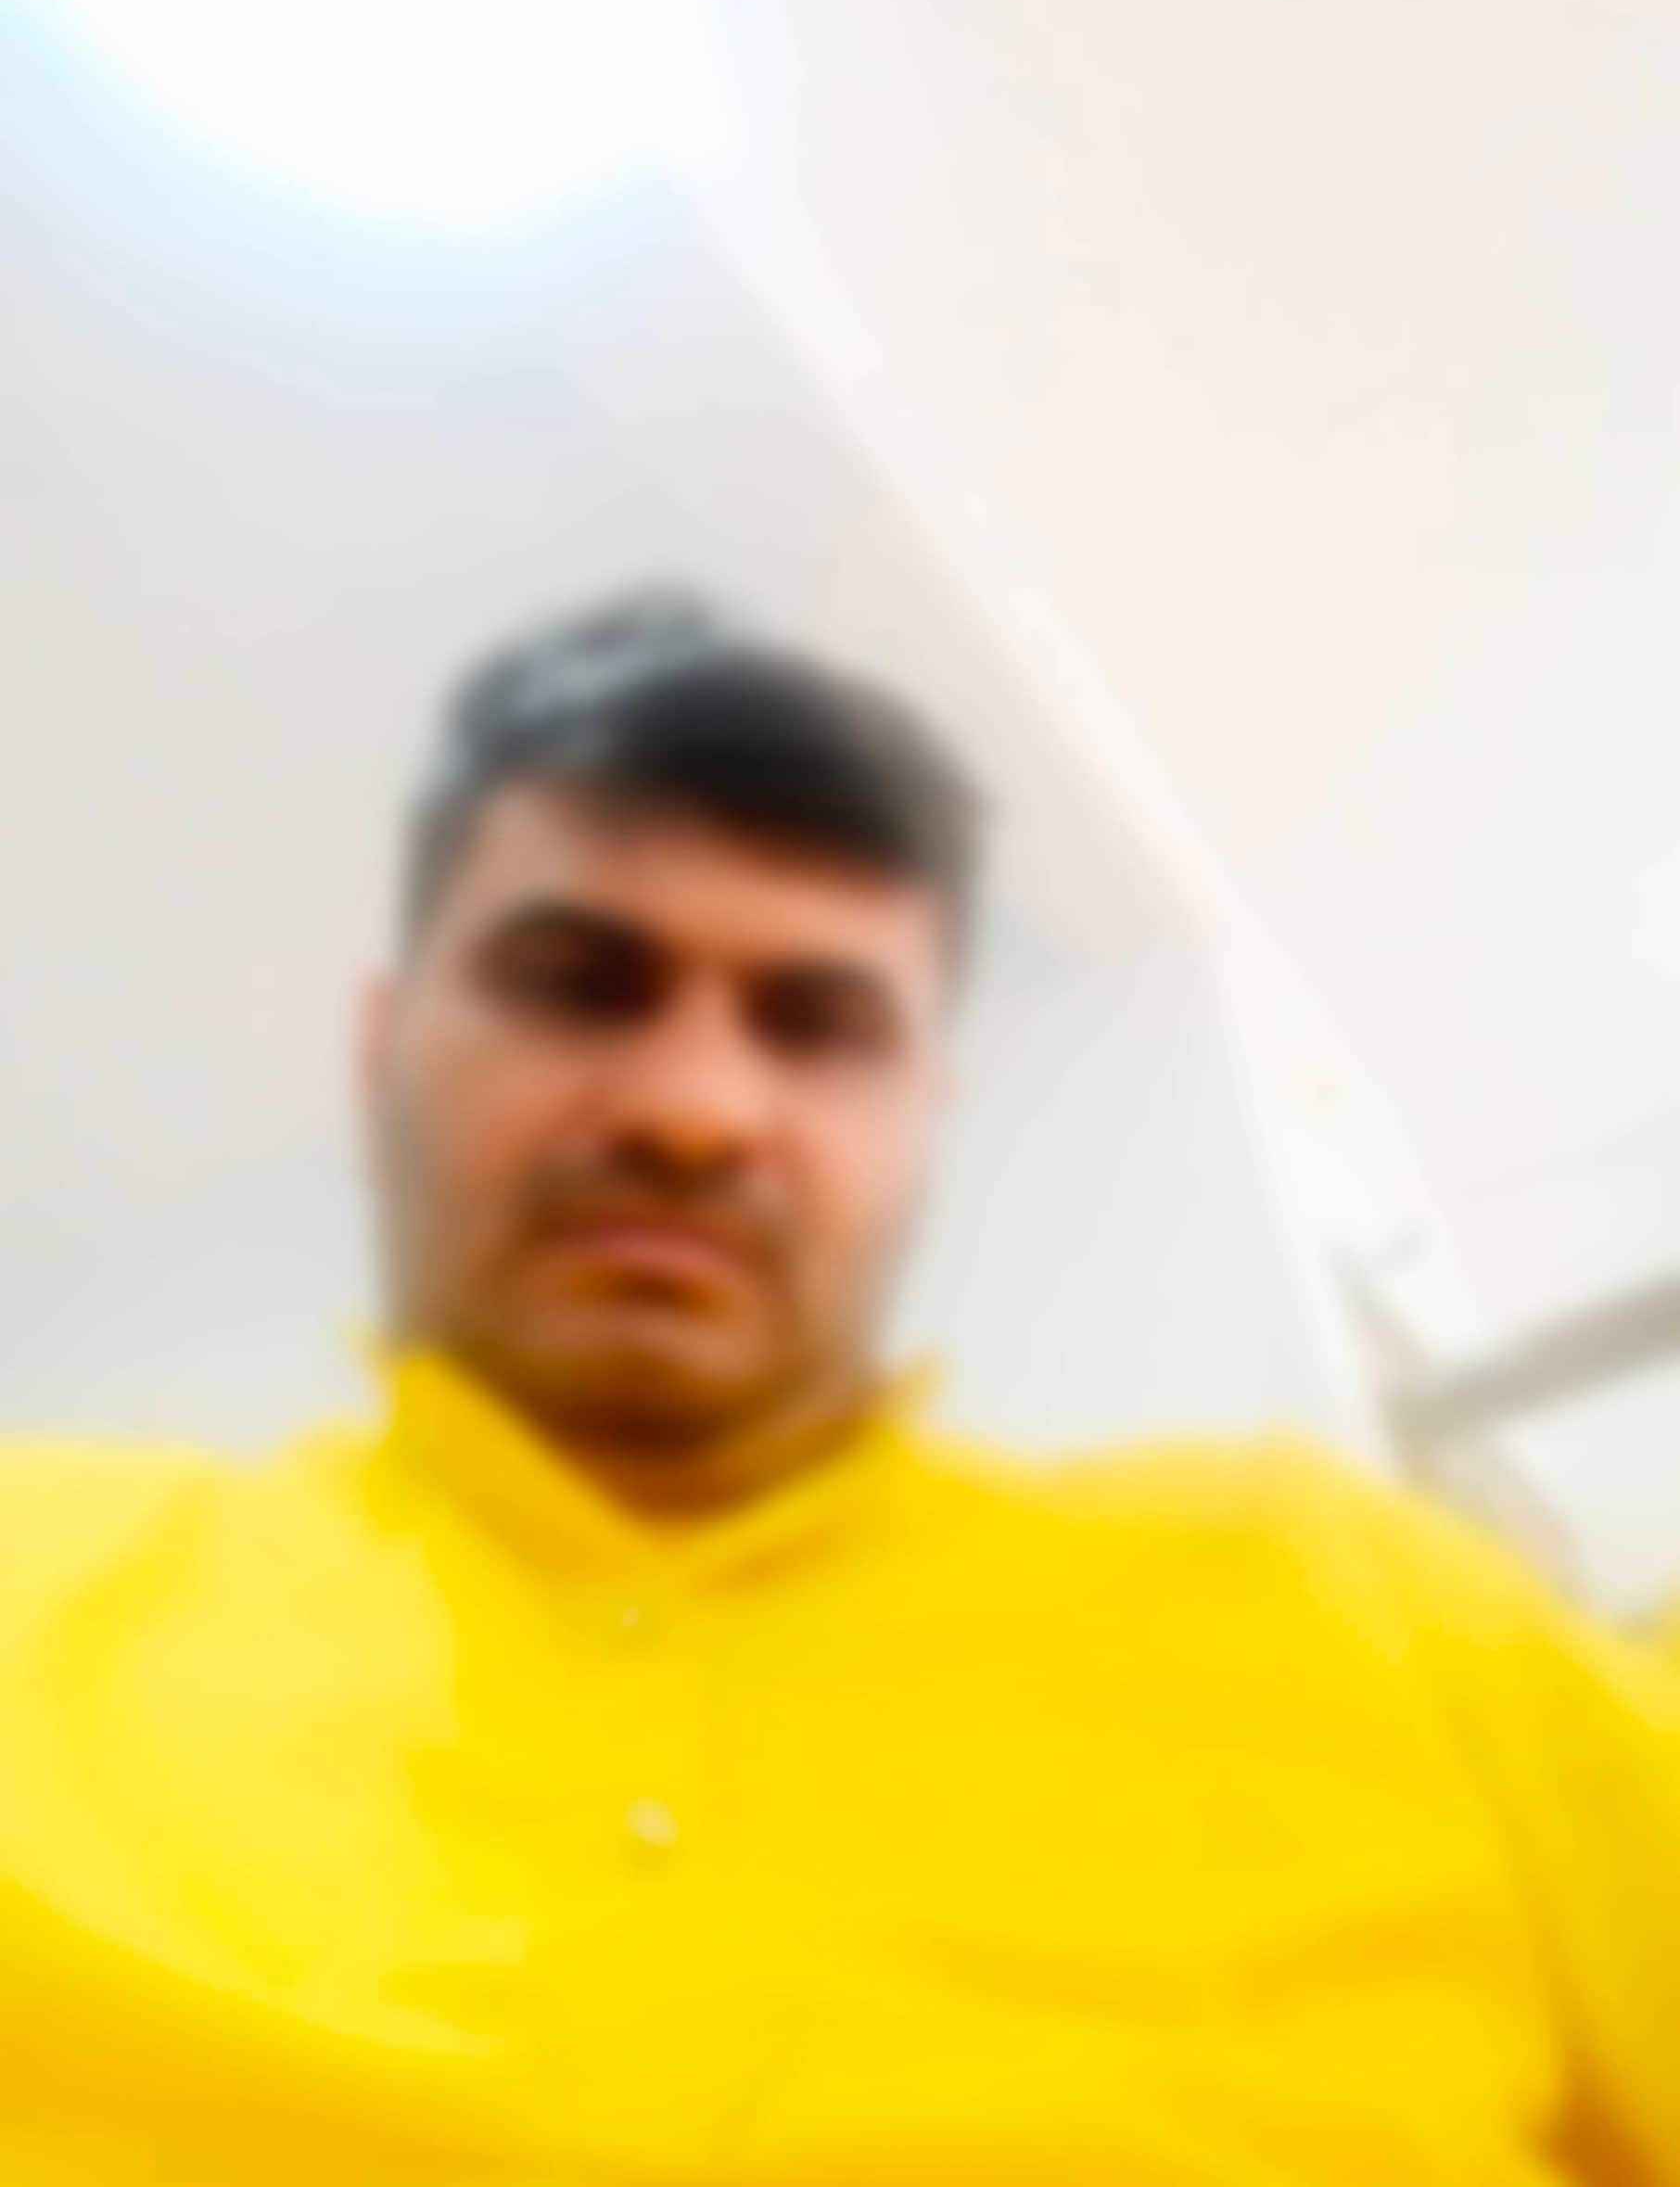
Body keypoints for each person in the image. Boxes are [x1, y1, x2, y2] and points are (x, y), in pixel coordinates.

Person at [2, 590, 1677, 2187]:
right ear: (382, 1049)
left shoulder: (1356, 1613)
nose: (694, 1106)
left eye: (817, 1025)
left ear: (927, 1116)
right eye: (577, 983)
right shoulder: (35, 1593)